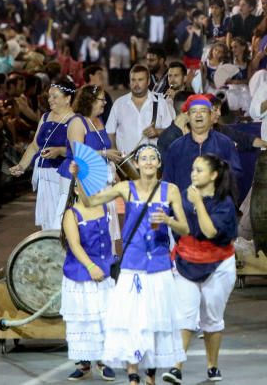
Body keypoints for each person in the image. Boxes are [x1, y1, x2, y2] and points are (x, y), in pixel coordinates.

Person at [75, 145, 190, 385]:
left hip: (158, 265)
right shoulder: (125, 188)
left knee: (156, 322)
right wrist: (78, 176)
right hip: (131, 265)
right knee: (131, 321)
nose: (148, 162)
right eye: (143, 159)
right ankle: (133, 375)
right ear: (136, 164)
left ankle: (150, 375)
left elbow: (185, 228)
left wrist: (168, 220)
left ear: (159, 164)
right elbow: (91, 200)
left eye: (152, 158)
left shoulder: (171, 191)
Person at [167, 155, 238, 384]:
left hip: (219, 265)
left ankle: (212, 365)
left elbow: (209, 231)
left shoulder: (224, 203)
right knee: (185, 316)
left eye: (199, 170)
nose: (193, 174)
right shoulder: (183, 199)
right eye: (192, 169)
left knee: (212, 319)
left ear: (214, 175)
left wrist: (197, 204)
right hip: (187, 260)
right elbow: (180, 229)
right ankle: (176, 367)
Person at [59, 176, 116, 382]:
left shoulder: (104, 208)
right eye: (82, 186)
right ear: (75, 190)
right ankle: (83, 364)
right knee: (83, 319)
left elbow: (107, 240)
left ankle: (103, 361)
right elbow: (74, 245)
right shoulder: (71, 214)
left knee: (104, 319)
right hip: (81, 274)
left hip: (104, 272)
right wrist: (91, 266)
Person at [9, 78, 78, 231]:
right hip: (44, 176)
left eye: (55, 96)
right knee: (47, 223)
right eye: (49, 96)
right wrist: (21, 165)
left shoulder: (75, 121)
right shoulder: (45, 117)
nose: (50, 100)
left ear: (68, 99)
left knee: (60, 222)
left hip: (62, 177)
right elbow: (35, 146)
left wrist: (59, 151)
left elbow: (79, 152)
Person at [162, 95, 242, 192]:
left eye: (203, 111)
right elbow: (167, 182)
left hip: (217, 204)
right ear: (188, 116)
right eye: (194, 111)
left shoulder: (225, 144)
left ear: (210, 115)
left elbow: (235, 174)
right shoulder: (176, 147)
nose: (198, 115)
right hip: (184, 205)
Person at [106, 65, 174, 155]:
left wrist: (158, 132)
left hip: (153, 161)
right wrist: (115, 153)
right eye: (133, 80)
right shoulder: (119, 104)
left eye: (140, 80)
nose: (136, 84)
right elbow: (110, 132)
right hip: (126, 163)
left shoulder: (161, 103)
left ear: (148, 81)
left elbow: (172, 131)